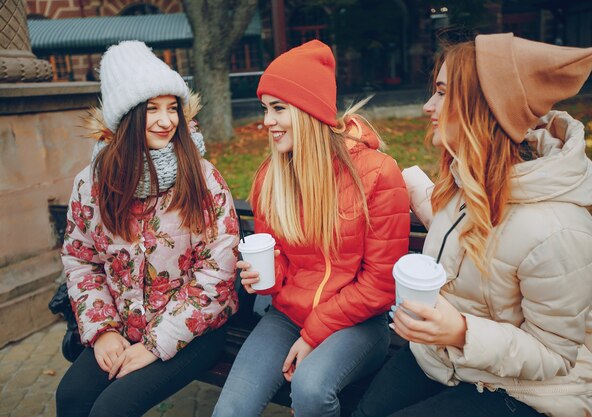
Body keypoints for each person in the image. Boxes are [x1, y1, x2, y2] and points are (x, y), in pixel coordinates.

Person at [354, 33, 592, 417]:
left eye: (441, 93)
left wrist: (461, 332)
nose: (427, 106)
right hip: (446, 359)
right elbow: (477, 240)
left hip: (530, 392)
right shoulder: (467, 183)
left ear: (487, 107)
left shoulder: (562, 231)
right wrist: (405, 180)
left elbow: (554, 355)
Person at [211, 40, 410, 417]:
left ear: (308, 111)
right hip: (287, 316)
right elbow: (282, 265)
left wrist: (314, 333)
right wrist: (264, 276)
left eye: (278, 109)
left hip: (359, 324)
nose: (266, 121)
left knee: (311, 389)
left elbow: (381, 285)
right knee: (230, 411)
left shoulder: (377, 174)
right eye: (265, 109)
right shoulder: (271, 178)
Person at [56, 41, 240, 417]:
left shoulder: (202, 178)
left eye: (172, 108)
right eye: (151, 109)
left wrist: (156, 343)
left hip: (193, 329)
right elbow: (82, 261)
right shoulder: (91, 183)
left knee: (112, 409)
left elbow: (217, 272)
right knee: (72, 398)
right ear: (125, 118)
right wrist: (104, 330)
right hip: (121, 323)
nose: (166, 120)